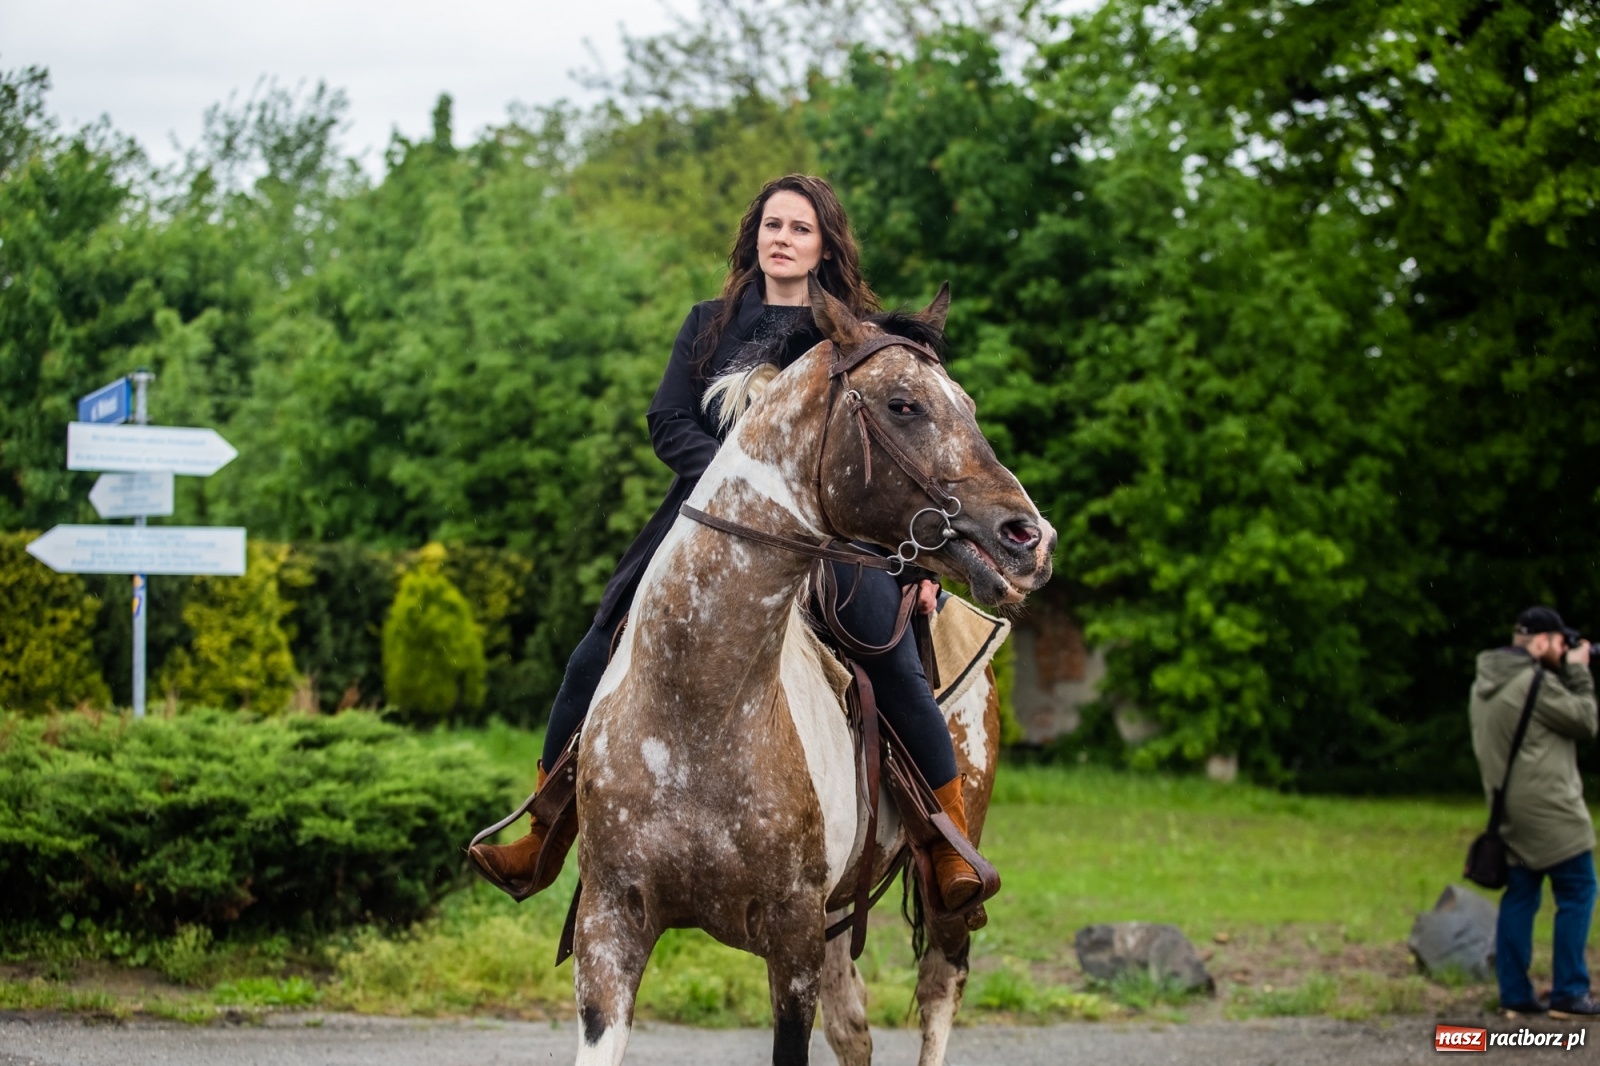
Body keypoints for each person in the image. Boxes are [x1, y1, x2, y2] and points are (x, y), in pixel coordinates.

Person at [468, 174, 987, 911]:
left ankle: (944, 842)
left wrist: (908, 560)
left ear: (824, 246)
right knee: (597, 645)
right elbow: (667, 421)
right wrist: (738, 482)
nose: (782, 238)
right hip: (705, 519)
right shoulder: (707, 324)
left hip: (831, 530)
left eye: (800, 228)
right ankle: (543, 834)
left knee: (888, 655)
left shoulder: (855, 336)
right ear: (754, 239)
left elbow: (898, 450)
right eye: (771, 225)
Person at [1469, 605, 1599, 1018]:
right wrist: (1578, 670)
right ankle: (1569, 993)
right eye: (1559, 644)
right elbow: (1585, 720)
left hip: (1508, 811)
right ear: (1541, 642)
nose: (1563, 652)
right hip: (1552, 813)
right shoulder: (1534, 683)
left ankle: (1515, 995)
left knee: (1521, 895)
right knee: (1579, 890)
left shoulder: (1486, 681)